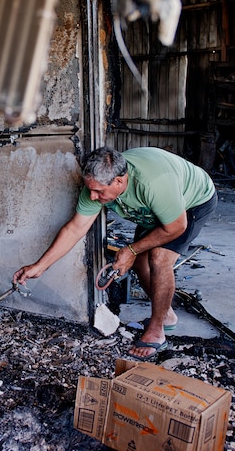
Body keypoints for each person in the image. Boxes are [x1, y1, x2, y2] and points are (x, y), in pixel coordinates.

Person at [13, 146, 217, 360]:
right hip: (154, 212)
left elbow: (175, 227)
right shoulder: (95, 187)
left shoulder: (153, 184)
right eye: (90, 189)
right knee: (139, 262)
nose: (92, 196)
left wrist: (130, 249)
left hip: (193, 202)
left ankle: (157, 330)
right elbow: (75, 229)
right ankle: (166, 314)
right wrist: (40, 266)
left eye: (99, 192)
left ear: (119, 182)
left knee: (159, 258)